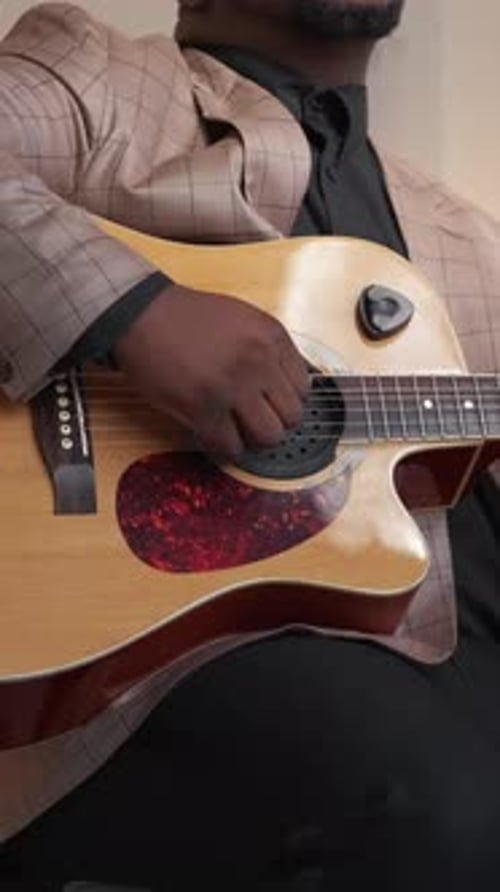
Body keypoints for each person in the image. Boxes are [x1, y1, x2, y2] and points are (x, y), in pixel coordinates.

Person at [0, 0, 499, 889]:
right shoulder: (94, 76)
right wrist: (137, 312)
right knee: (431, 798)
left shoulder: (466, 239)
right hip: (132, 680)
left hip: (451, 670)